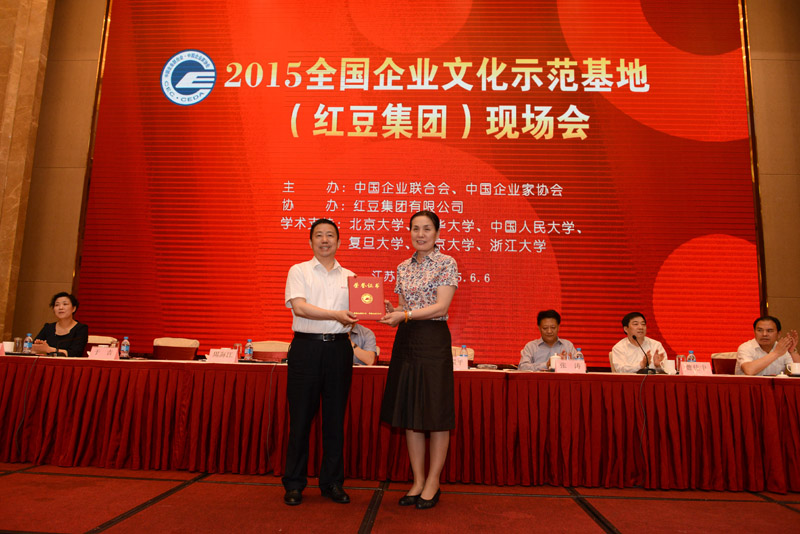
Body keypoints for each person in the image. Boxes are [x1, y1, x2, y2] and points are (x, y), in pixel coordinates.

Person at [379, 210, 458, 510]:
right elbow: (403, 307)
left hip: (433, 340)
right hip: (407, 340)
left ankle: (433, 482)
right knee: (410, 411)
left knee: (436, 412)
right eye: (415, 229)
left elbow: (441, 307)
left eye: (426, 229)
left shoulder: (446, 263)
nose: (420, 234)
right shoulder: (403, 267)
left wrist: (406, 314)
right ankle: (417, 480)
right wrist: (393, 311)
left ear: (437, 233)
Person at [282, 218, 358, 506]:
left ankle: (332, 483)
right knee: (300, 419)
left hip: (339, 350)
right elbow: (300, 307)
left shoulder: (350, 277)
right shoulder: (298, 271)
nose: (325, 240)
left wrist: (375, 308)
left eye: (330, 236)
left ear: (338, 242)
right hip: (307, 349)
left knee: (335, 420)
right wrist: (335, 315)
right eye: (319, 235)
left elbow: (359, 311)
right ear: (311, 241)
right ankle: (294, 483)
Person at [32, 292, 88, 358]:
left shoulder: (81, 329)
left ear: (73, 308)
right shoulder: (48, 327)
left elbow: (75, 353)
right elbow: (31, 348)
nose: (60, 308)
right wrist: (38, 345)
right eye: (57, 305)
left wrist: (48, 349)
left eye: (65, 304)